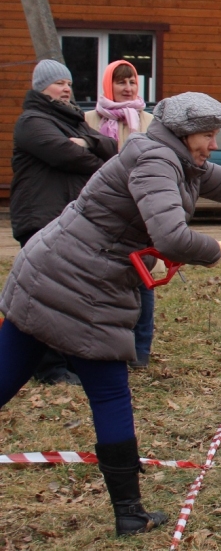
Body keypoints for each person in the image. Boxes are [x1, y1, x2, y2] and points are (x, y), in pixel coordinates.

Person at [0, 92, 221, 536]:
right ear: (184, 133)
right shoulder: (156, 162)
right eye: (207, 134)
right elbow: (171, 236)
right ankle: (130, 514)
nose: (214, 144)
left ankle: (129, 512)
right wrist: (211, 250)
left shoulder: (180, 161)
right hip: (78, 285)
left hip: (54, 273)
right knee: (108, 395)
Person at [9, 59, 119, 385]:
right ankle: (49, 368)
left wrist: (87, 142)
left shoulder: (74, 121)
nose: (67, 88)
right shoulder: (31, 121)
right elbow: (64, 155)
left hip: (70, 219)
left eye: (68, 83)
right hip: (40, 217)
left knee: (72, 293)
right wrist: (93, 155)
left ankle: (71, 362)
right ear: (41, 87)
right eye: (58, 83)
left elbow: (112, 147)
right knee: (43, 294)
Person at [85, 61, 157, 369]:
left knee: (142, 278)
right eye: (120, 82)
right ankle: (98, 348)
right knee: (99, 280)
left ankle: (140, 350)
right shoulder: (88, 120)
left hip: (138, 211)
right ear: (107, 85)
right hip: (100, 212)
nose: (127, 88)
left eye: (132, 82)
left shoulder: (149, 122)